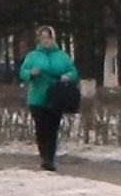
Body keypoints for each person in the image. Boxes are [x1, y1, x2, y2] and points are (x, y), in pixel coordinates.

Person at [17, 25, 78, 171]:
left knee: (53, 128)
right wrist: (31, 73)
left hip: (56, 98)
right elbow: (22, 73)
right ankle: (44, 157)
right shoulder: (32, 56)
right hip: (37, 98)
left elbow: (73, 71)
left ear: (53, 39)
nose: (45, 41)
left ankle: (50, 157)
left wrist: (68, 76)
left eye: (48, 37)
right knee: (41, 128)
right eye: (42, 38)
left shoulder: (62, 56)